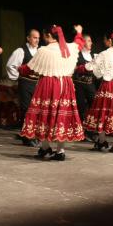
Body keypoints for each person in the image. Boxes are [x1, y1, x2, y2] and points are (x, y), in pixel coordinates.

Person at [20, 25, 85, 160]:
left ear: (48, 36)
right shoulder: (69, 48)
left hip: (49, 84)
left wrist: (20, 69)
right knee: (61, 115)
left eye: (44, 35)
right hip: (66, 84)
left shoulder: (44, 50)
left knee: (45, 113)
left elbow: (30, 68)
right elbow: (79, 43)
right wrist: (79, 32)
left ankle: (45, 148)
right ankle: (60, 151)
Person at [6, 29, 41, 146]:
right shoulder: (21, 51)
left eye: (38, 38)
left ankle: (34, 134)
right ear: (28, 38)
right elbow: (11, 65)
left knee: (36, 110)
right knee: (26, 110)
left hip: (37, 84)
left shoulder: (40, 52)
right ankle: (26, 136)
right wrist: (18, 76)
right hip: (25, 83)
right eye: (34, 38)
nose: (37, 40)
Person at [72, 33, 96, 141]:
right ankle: (80, 132)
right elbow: (73, 68)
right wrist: (82, 68)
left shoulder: (93, 56)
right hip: (79, 84)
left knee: (93, 106)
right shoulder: (78, 54)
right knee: (80, 107)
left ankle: (90, 131)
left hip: (90, 84)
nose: (91, 43)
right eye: (89, 41)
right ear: (84, 42)